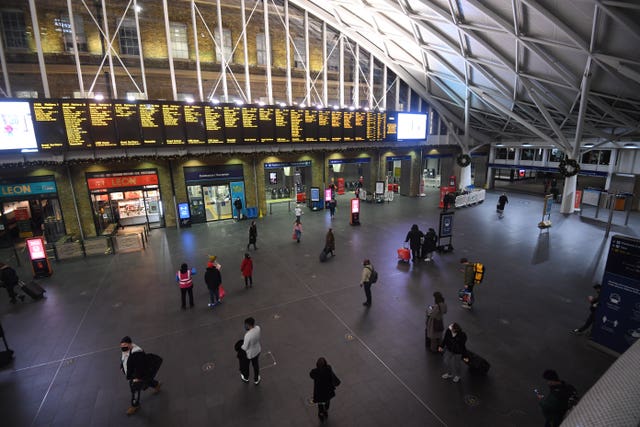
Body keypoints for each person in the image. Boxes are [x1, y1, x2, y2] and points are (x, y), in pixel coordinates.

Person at [120, 336, 162, 415]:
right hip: (133, 374)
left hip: (137, 376)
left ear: (130, 344)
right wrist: (121, 366)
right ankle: (157, 385)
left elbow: (141, 367)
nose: (123, 347)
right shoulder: (126, 349)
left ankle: (135, 405)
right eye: (121, 346)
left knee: (135, 389)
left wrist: (137, 378)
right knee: (147, 381)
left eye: (124, 345)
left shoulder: (137, 353)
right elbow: (124, 359)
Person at [309, 357, 341, 421]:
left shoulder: (315, 371)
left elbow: (311, 375)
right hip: (327, 391)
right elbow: (332, 376)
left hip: (319, 392)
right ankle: (325, 411)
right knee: (327, 402)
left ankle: (321, 414)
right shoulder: (328, 368)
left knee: (320, 403)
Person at [241, 317, 261, 384]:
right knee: (256, 365)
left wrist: (241, 346)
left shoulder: (248, 335)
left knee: (246, 365)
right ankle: (256, 379)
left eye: (245, 325)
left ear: (249, 325)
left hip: (250, 354)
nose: (244, 326)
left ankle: (246, 377)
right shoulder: (258, 328)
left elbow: (245, 347)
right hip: (257, 350)